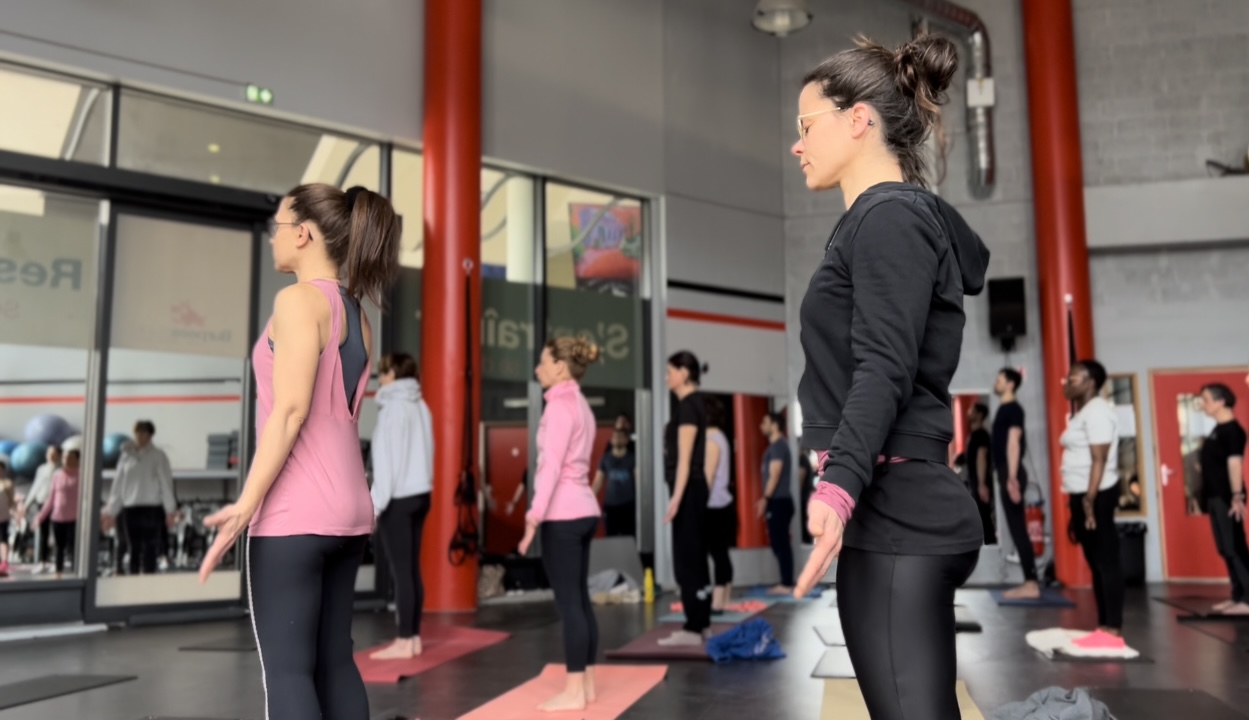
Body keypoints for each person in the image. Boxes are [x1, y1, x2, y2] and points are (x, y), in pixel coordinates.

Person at [791, 34, 989, 720]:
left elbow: (885, 364)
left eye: (805, 125)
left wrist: (838, 485)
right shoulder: (881, 220)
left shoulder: (888, 218)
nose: (796, 145)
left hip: (899, 510)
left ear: (858, 120)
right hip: (891, 509)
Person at [197, 183, 400, 720]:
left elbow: (290, 412)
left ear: (304, 233)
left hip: (294, 515)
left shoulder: (297, 302)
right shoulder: (357, 314)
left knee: (287, 673)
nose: (273, 238)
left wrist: (244, 506)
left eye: (279, 227)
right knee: (335, 663)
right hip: (349, 513)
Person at [518, 336, 603, 712]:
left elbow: (550, 468)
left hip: (563, 515)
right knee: (580, 600)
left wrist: (533, 517)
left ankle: (573, 692)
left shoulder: (558, 409)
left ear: (560, 367)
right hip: (584, 510)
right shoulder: (581, 405)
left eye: (543, 362)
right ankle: (586, 685)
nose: (537, 369)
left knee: (570, 604)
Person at [369, 352, 435, 659]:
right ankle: (414, 637)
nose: (380, 378)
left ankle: (404, 641)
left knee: (401, 571)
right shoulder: (420, 405)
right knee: (411, 569)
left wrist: (373, 507)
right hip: (421, 494)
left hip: (397, 498)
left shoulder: (392, 409)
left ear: (393, 374)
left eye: (383, 373)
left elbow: (386, 465)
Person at [1060, 359, 1125, 649]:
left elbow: (1100, 459)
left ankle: (1113, 628)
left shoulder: (1098, 411)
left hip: (1097, 494)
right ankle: (1104, 626)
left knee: (1106, 561)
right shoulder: (1083, 413)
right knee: (1096, 562)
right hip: (1083, 494)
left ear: (1090, 383)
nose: (1067, 382)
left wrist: (1089, 500)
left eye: (1073, 378)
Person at [660, 350, 712, 646]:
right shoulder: (691, 405)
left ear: (683, 373)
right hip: (692, 488)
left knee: (687, 558)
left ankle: (693, 627)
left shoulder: (689, 407)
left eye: (669, 372)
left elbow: (684, 459)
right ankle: (700, 623)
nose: (666, 377)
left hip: (689, 487)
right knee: (695, 555)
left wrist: (676, 498)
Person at [1197, 383, 1249, 615]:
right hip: (1215, 496)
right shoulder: (1217, 430)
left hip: (1228, 497)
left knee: (1235, 547)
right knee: (1225, 548)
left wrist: (1237, 497)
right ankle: (1238, 596)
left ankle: (1248, 599)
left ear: (1220, 402)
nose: (1202, 404)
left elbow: (1235, 465)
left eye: (1206, 400)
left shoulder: (1233, 431)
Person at [101, 421, 176, 575]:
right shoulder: (125, 456)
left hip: (152, 508)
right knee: (133, 547)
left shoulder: (158, 456)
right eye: (138, 433)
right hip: (130, 507)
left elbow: (166, 483)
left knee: (150, 547)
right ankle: (133, 578)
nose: (141, 436)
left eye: (145, 433)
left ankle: (148, 578)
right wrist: (111, 511)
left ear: (150, 435)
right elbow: (118, 485)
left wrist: (170, 510)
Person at [993, 368, 1039, 598]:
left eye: (999, 380)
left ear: (1010, 384)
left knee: (1018, 529)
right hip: (1006, 472)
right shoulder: (1004, 409)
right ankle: (1030, 582)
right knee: (1016, 528)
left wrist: (1011, 477)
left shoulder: (1013, 409)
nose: (996, 383)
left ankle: (1031, 584)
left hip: (1011, 472)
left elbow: (1014, 441)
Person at [758, 412, 795, 595]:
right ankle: (786, 582)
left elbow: (775, 474)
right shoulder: (774, 447)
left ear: (774, 425)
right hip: (777, 501)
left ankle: (786, 584)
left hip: (779, 501)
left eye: (764, 422)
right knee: (778, 543)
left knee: (781, 543)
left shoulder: (779, 446)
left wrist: (765, 499)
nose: (761, 425)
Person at [704, 396, 735, 612]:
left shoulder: (712, 440)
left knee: (718, 553)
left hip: (714, 505)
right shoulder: (719, 437)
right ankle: (724, 599)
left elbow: (708, 477)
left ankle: (718, 601)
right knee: (720, 553)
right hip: (721, 504)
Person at [36, 447, 80, 576]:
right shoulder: (57, 475)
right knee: (59, 546)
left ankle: (75, 573)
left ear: (77, 460)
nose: (66, 460)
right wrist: (41, 516)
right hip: (58, 517)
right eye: (65, 457)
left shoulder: (81, 475)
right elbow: (51, 498)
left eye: (70, 457)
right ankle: (58, 572)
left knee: (73, 547)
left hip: (74, 518)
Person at [592, 429, 636, 537]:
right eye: (615, 436)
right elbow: (597, 483)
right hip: (610, 506)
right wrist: (587, 501)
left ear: (626, 440)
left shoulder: (632, 459)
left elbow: (639, 482)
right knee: (611, 538)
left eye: (620, 436)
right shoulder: (605, 459)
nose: (617, 438)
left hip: (628, 506)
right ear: (611, 440)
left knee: (629, 538)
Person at [28, 445, 62, 572]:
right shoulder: (41, 469)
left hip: (57, 504)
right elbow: (35, 487)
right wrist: (27, 504)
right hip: (42, 502)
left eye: (54, 453)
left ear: (59, 455)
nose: (51, 456)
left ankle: (57, 562)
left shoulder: (62, 470)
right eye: (49, 453)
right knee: (44, 533)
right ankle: (43, 561)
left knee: (57, 534)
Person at [966, 402, 994, 545]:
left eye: (972, 410)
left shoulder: (982, 434)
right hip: (975, 482)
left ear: (980, 415)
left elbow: (981, 457)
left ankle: (990, 544)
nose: (969, 412)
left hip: (980, 482)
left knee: (984, 516)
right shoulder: (973, 435)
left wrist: (982, 484)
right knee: (980, 516)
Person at [0, 462, 12, 577]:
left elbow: (11, 501)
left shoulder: (7, 484)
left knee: (3, 539)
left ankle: (4, 561)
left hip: (3, 516)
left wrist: (16, 512)